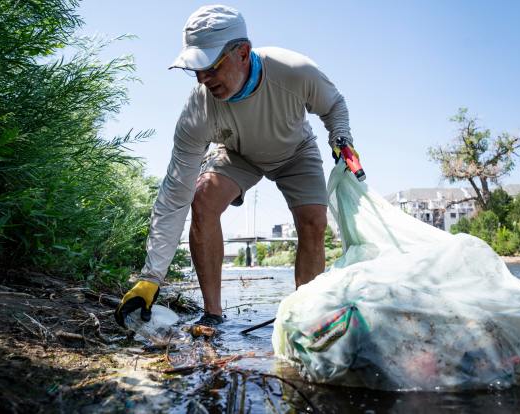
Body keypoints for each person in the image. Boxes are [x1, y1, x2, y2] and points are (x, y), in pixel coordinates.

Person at [115, 4, 360, 328]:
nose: (203, 78)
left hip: (296, 150)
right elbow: (175, 194)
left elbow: (334, 106)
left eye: (211, 65)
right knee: (202, 200)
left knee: (314, 221)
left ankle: (306, 319)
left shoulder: (294, 70)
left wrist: (341, 139)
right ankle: (213, 314)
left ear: (243, 53)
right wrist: (151, 277)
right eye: (195, 68)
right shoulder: (197, 112)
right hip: (237, 153)